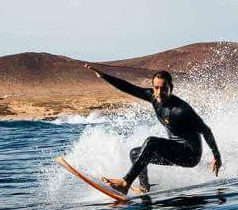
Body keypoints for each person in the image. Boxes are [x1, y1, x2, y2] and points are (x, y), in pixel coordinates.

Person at [86, 64, 222, 195]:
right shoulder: (153, 96)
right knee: (135, 153)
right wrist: (103, 76)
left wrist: (216, 156)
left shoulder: (181, 110)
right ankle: (144, 188)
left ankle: (125, 183)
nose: (159, 92)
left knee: (152, 142)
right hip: (173, 152)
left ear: (171, 88)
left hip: (190, 155)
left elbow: (206, 130)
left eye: (164, 88)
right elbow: (128, 87)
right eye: (156, 87)